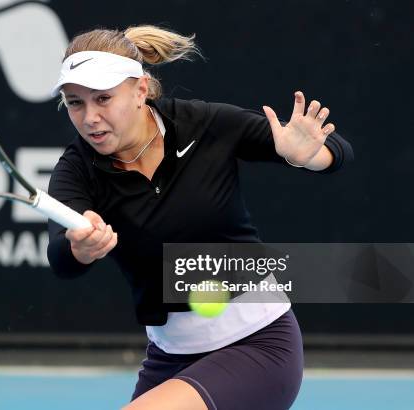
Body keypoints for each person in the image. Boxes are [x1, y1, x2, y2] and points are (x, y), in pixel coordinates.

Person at [46, 25, 353, 410]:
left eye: (103, 99)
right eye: (75, 103)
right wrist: (81, 248)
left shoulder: (203, 124)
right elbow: (61, 256)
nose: (90, 117)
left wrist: (305, 155)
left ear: (141, 90)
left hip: (258, 341)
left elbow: (338, 151)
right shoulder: (76, 169)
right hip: (170, 358)